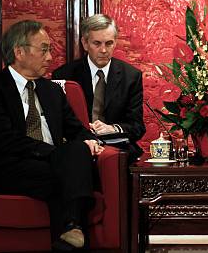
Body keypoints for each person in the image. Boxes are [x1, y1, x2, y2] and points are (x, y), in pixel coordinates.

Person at [0, 20, 105, 253]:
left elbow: (75, 129)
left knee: (76, 154)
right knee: (67, 171)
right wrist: (56, 155)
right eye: (43, 50)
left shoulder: (52, 91)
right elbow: (2, 140)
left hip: (47, 168)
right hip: (4, 167)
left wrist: (91, 141)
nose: (50, 57)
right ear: (19, 52)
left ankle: (67, 246)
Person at [53, 14, 145, 161]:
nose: (103, 50)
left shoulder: (131, 76)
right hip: (78, 147)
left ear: (115, 43)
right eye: (97, 43)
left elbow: (137, 126)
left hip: (117, 148)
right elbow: (57, 123)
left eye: (109, 43)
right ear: (85, 43)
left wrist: (112, 128)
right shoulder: (64, 75)